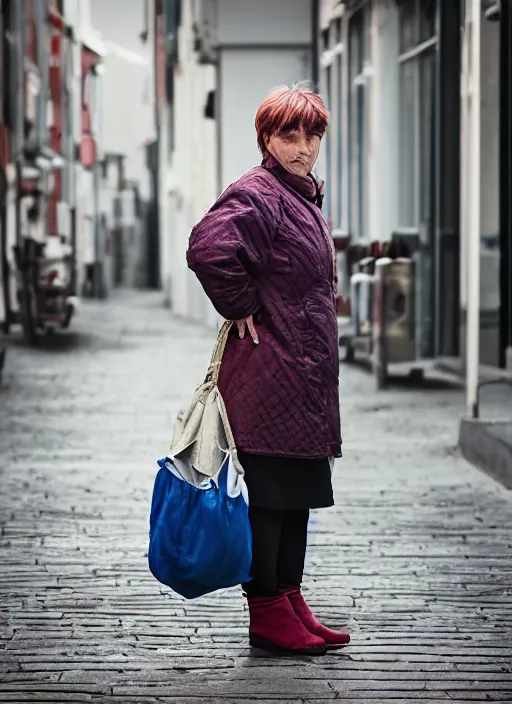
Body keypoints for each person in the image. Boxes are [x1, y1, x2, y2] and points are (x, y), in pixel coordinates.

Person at [187, 83, 349, 656]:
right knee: (271, 498)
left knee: (298, 493)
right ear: (266, 139)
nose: (303, 146)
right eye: (290, 134)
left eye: (313, 134)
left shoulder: (299, 196)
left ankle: (289, 598)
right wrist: (243, 306)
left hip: (301, 379)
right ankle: (266, 611)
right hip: (268, 375)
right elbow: (208, 248)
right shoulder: (258, 193)